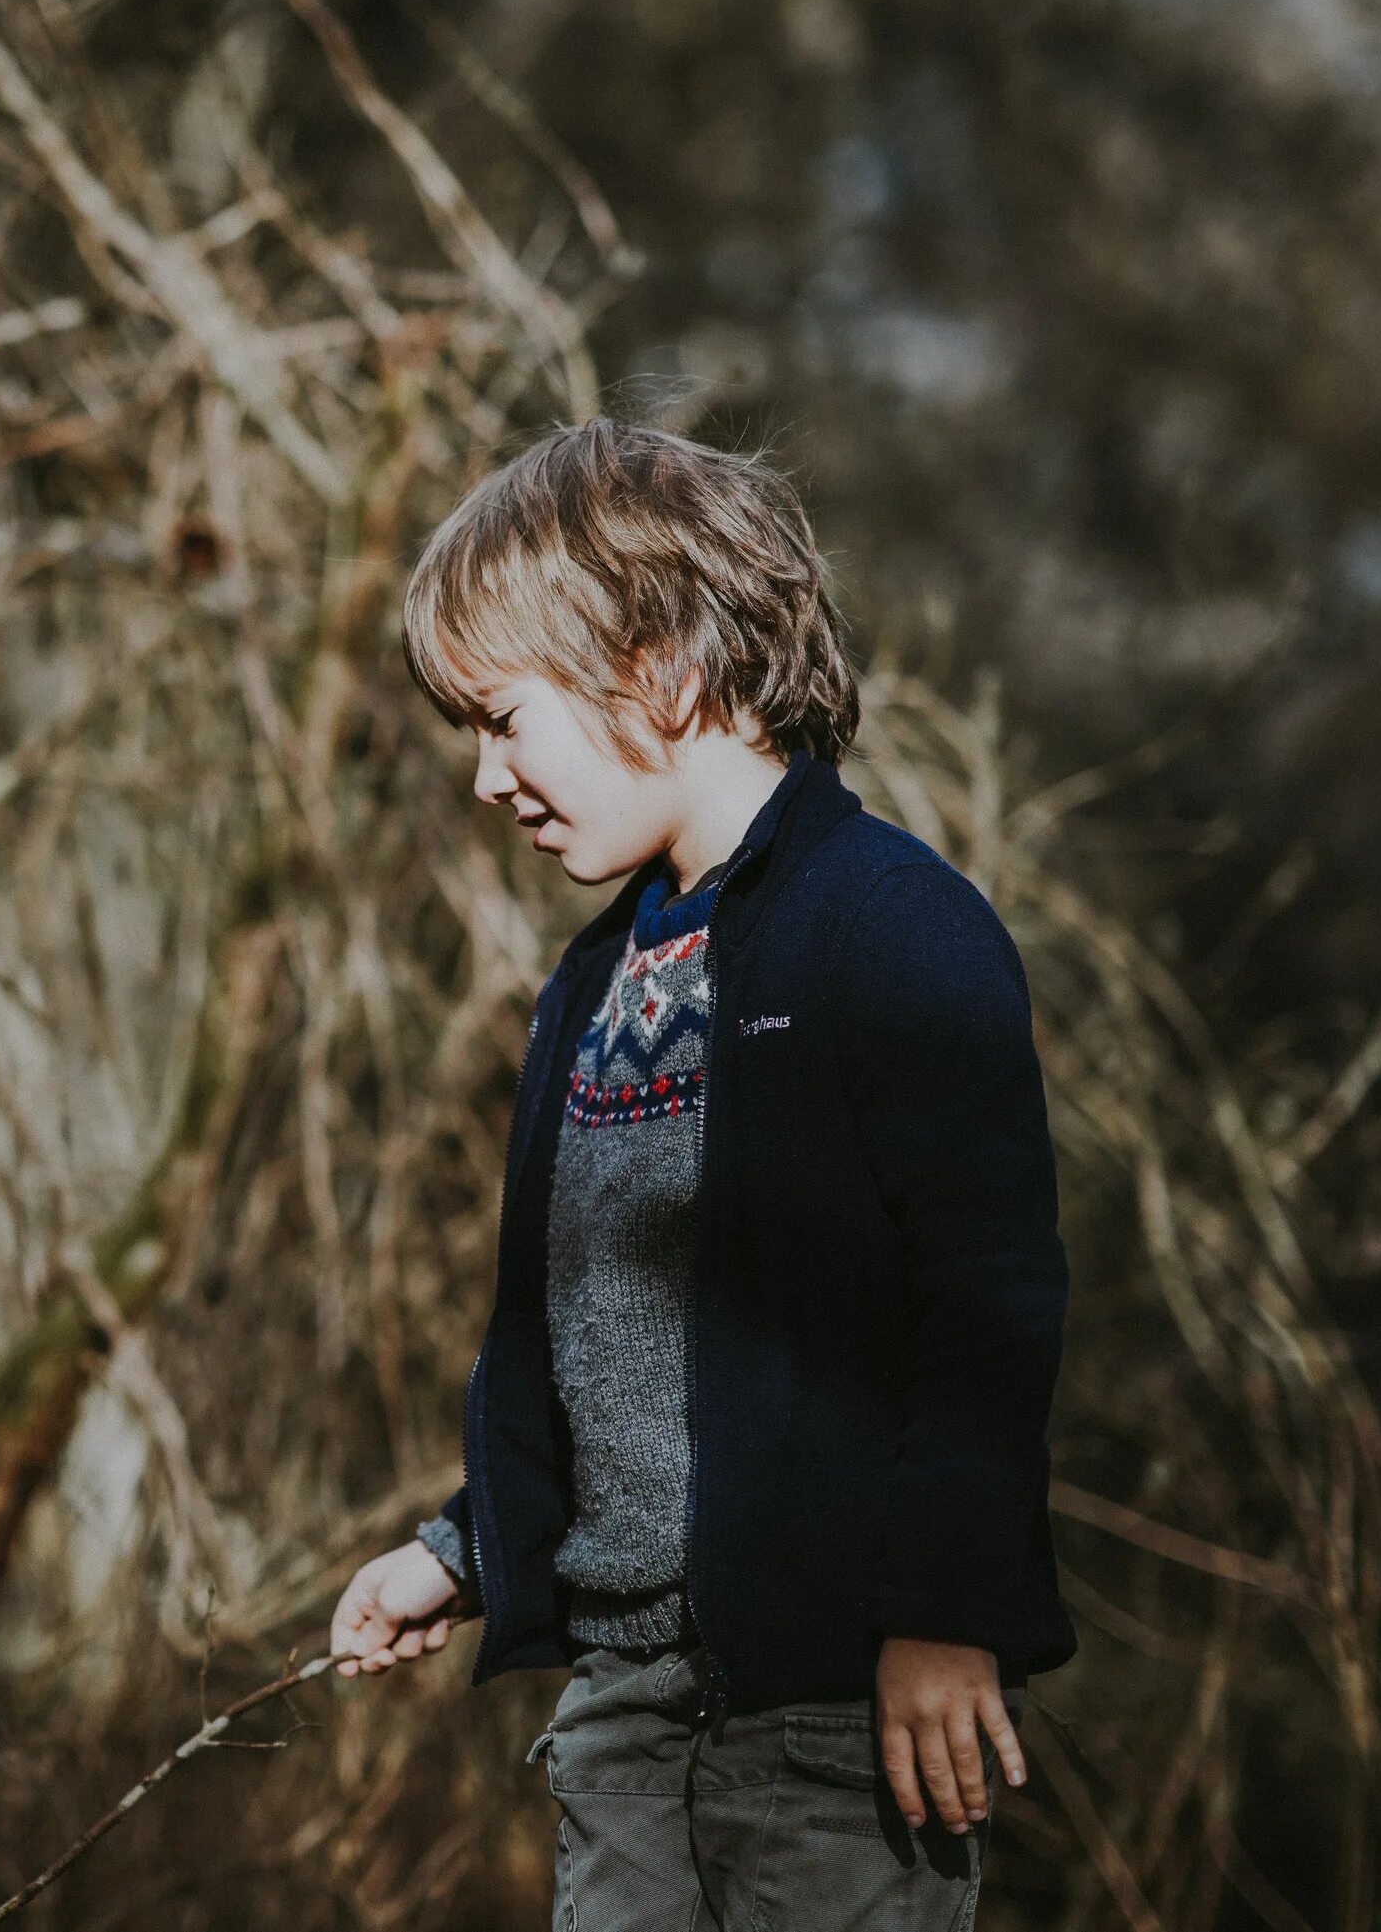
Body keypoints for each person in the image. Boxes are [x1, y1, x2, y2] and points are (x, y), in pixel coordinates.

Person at [327, 418, 1076, 1930]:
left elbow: (986, 1308)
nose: (486, 778)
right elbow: (599, 1354)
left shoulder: (890, 931)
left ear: (660, 667)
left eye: (501, 718)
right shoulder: (590, 988)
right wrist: (463, 1550)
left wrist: (944, 1616)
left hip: (834, 1715)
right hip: (621, 1718)